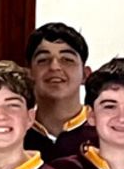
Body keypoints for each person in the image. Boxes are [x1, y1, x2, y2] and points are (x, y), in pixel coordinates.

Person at [24, 22, 92, 159]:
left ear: (85, 75)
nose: (54, 67)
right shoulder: (14, 134)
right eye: (43, 60)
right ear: (29, 75)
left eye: (67, 60)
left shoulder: (105, 131)